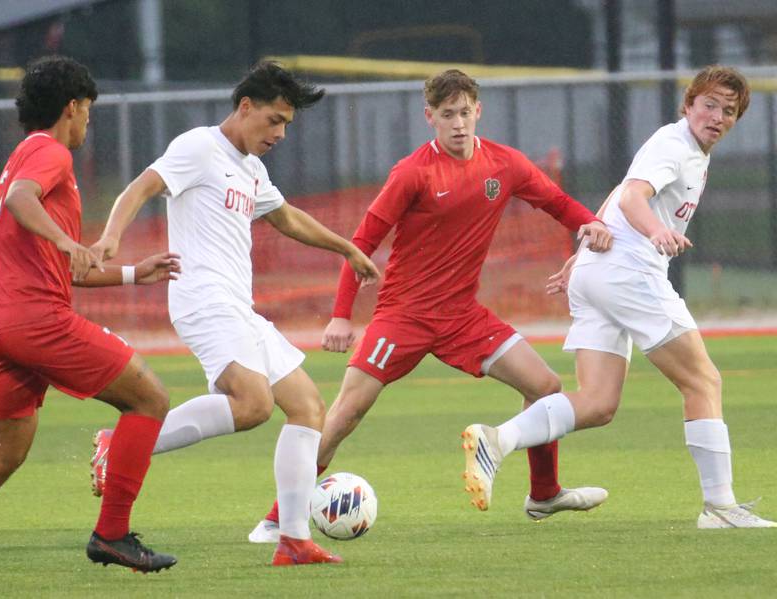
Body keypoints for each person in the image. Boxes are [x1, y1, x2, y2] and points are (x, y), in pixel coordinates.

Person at [248, 69, 613, 543]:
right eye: (447, 115)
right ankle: (278, 518)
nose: (458, 124)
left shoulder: (505, 164)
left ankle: (544, 494)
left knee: (545, 386)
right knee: (344, 413)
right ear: (430, 118)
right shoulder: (413, 173)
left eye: (465, 113)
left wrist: (590, 225)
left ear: (478, 111)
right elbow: (361, 243)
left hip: (463, 316)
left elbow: (556, 201)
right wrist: (341, 314)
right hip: (402, 316)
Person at [89, 61, 380, 566]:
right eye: (274, 120)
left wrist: (347, 249)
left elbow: (286, 216)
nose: (281, 133)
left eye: (287, 124)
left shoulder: (251, 168)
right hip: (202, 299)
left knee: (308, 407)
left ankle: (292, 540)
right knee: (252, 405)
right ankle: (120, 443)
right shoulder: (198, 147)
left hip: (238, 308)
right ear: (245, 108)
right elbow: (140, 187)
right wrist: (112, 237)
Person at [465, 65, 776, 528]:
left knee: (596, 403)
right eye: (709, 105)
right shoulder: (677, 144)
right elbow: (633, 196)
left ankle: (498, 439)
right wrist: (657, 233)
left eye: (729, 111)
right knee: (703, 381)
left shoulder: (683, 147)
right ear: (688, 105)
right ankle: (720, 507)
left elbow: (622, 190)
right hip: (630, 272)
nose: (717, 116)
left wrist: (585, 253)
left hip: (601, 271)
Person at [0, 56, 180, 573]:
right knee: (150, 399)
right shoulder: (50, 155)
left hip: (0, 324)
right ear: (72, 107)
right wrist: (66, 239)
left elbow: (70, 270)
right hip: (36, 322)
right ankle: (112, 535)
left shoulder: (21, 154)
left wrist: (136, 273)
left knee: (6, 451)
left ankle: (112, 535)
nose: (88, 121)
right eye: (87, 110)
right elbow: (26, 202)